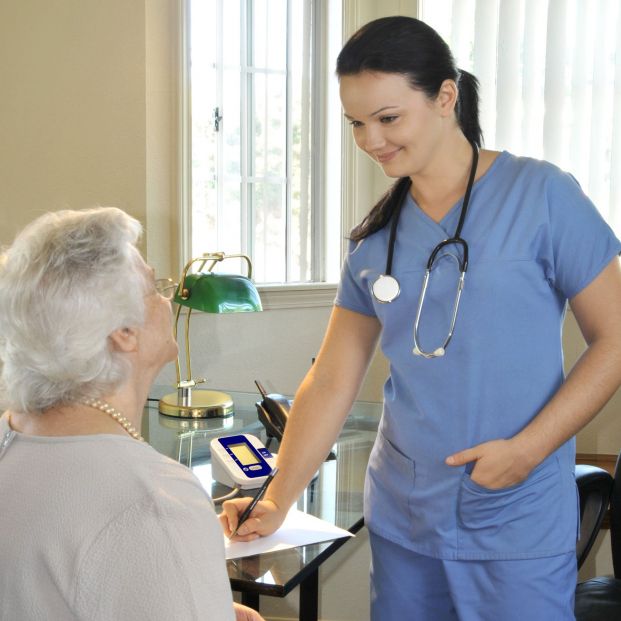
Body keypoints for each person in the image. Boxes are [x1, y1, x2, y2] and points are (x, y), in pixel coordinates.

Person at [220, 16, 621, 621]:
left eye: (387, 118)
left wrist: (529, 449)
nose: (370, 140)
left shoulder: (541, 195)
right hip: (406, 513)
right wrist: (277, 498)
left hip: (514, 512)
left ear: (445, 97)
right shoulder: (375, 240)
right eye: (356, 122)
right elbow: (330, 380)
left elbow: (615, 338)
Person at [0, 207, 263, 621]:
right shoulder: (153, 501)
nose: (167, 299)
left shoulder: (11, 437)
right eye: (154, 286)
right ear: (124, 331)